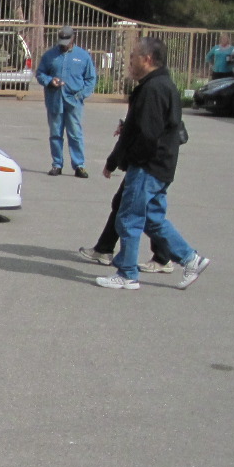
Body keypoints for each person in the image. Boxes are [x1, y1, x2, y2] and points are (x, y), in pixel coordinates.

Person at [95, 36, 210, 291]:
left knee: (128, 218)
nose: (130, 61)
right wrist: (115, 161)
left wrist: (131, 162)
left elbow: (148, 134)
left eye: (134, 56)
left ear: (147, 59)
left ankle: (127, 274)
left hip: (149, 167)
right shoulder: (157, 85)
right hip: (159, 166)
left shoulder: (154, 88)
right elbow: (138, 128)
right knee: (152, 219)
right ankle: (191, 259)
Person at [35, 26, 98, 178]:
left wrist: (81, 95)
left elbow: (91, 79)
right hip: (55, 100)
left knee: (75, 134)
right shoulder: (50, 55)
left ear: (73, 38)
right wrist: (50, 81)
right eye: (61, 41)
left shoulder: (83, 56)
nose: (64, 44)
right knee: (55, 134)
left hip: (74, 101)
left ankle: (79, 165)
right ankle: (57, 164)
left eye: (67, 41)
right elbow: (40, 73)